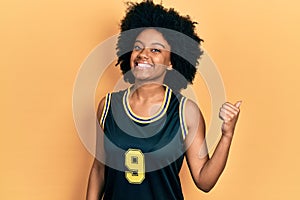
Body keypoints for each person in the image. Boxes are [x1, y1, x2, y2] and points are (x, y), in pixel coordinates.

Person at [86, 1, 241, 199]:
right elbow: (99, 171)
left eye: (156, 50)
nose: (143, 54)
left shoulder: (185, 112)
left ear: (171, 62)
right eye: (138, 47)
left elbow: (204, 180)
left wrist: (227, 135)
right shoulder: (107, 106)